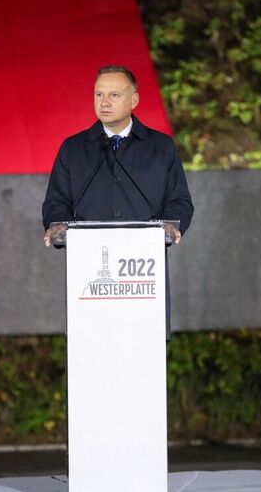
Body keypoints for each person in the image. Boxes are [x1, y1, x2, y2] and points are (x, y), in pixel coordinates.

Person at [41, 65, 194, 336]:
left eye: (114, 95)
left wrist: (172, 225)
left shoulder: (161, 147)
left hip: (143, 277)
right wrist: (56, 224)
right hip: (89, 278)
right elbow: (56, 201)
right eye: (99, 95)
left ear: (133, 100)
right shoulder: (73, 149)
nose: (104, 102)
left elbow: (179, 199)